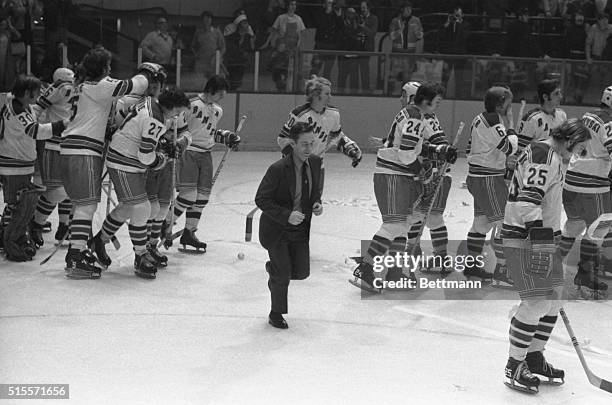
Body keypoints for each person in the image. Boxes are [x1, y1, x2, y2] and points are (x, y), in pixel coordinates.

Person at [502, 118, 591, 394]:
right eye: (579, 149)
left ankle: (534, 356)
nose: (577, 155)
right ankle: (514, 364)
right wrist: (541, 243)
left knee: (554, 299)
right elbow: (528, 202)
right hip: (526, 238)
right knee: (536, 302)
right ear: (569, 139)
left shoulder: (550, 155)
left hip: (540, 236)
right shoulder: (545, 155)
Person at [351, 82, 456, 292]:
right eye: (436, 103)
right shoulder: (416, 117)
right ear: (426, 101)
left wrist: (439, 150)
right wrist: (424, 176)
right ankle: (366, 267)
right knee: (394, 226)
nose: (437, 107)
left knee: (404, 224)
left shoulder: (412, 114)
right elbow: (407, 154)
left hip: (396, 175)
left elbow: (413, 146)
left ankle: (394, 273)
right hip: (394, 175)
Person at [60, 48, 155, 279]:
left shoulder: (81, 86)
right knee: (86, 206)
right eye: (109, 66)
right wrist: (146, 71)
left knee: (83, 204)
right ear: (103, 69)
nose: (110, 70)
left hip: (70, 149)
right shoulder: (99, 86)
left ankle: (78, 251)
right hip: (83, 150)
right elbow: (137, 85)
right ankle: (76, 255)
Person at [90, 89, 189, 279]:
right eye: (177, 112)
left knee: (128, 207)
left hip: (122, 158)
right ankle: (141, 254)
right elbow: (146, 157)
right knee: (142, 208)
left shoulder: (149, 103)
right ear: (170, 106)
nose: (176, 117)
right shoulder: (156, 120)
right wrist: (162, 158)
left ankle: (99, 241)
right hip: (125, 162)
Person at [255, 121, 324, 329]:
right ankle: (276, 313)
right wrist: (287, 215)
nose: (308, 149)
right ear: (292, 144)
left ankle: (273, 270)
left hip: (300, 229)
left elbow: (314, 191)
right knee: (283, 273)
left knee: (301, 272)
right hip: (277, 229)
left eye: (311, 143)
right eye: (304, 144)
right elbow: (261, 199)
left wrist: (317, 203)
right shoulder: (277, 169)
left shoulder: (315, 162)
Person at [163, 75, 241, 252]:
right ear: (211, 90)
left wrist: (227, 137)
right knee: (188, 195)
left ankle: (189, 232)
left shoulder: (217, 110)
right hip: (189, 152)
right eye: (220, 94)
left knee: (202, 198)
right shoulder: (191, 103)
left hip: (206, 154)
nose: (222, 98)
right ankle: (165, 222)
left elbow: (209, 133)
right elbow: (176, 126)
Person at [0, 75, 66, 261]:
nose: (40, 94)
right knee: (20, 205)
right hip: (14, 165)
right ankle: (12, 242)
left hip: (17, 163)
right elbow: (35, 131)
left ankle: (9, 236)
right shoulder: (18, 110)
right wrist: (61, 124)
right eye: (37, 91)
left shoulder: (16, 104)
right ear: (27, 93)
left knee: (16, 204)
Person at [557, 86, 612, 298]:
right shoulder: (608, 121)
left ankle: (550, 268)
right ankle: (585, 274)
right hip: (593, 185)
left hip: (571, 181)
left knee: (573, 226)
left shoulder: (587, 116)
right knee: (599, 230)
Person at [464, 86, 519, 281]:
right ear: (500, 104)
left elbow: (469, 148)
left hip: (478, 177)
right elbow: (509, 147)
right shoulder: (494, 120)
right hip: (488, 179)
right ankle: (503, 270)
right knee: (506, 222)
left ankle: (472, 266)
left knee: (481, 224)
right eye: (508, 104)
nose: (510, 108)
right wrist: (511, 125)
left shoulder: (479, 118)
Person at [29, 67, 75, 247]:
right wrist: (32, 129)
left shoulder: (80, 89)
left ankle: (64, 225)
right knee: (56, 192)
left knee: (69, 189)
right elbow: (37, 107)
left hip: (71, 144)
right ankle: (36, 224)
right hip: (53, 143)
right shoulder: (60, 87)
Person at [277, 75, 362, 167]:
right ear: (316, 95)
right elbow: (282, 139)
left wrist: (351, 149)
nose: (330, 97)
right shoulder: (299, 115)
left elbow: (336, 136)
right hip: (294, 165)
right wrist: (297, 159)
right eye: (327, 94)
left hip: (317, 165)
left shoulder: (333, 114)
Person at [191, 11, 225, 85]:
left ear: (212, 20)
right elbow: (193, 46)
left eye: (209, 18)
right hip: (201, 63)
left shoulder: (217, 32)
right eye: (205, 18)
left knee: (214, 83)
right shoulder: (198, 32)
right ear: (202, 20)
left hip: (213, 63)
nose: (206, 20)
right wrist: (196, 55)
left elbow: (222, 47)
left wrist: (218, 58)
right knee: (200, 83)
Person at [223, 11, 255, 91]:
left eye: (247, 23)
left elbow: (252, 50)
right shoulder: (232, 37)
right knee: (231, 83)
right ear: (240, 25)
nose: (247, 25)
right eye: (244, 23)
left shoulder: (248, 37)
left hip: (242, 64)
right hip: (232, 64)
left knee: (238, 83)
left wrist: (252, 41)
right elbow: (230, 49)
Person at [355, 1, 377, 92]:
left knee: (365, 70)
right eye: (361, 7)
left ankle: (365, 90)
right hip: (356, 47)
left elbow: (372, 33)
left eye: (364, 7)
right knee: (354, 70)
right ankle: (355, 90)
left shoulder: (374, 18)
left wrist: (364, 27)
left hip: (367, 47)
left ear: (368, 8)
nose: (362, 9)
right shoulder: (357, 17)